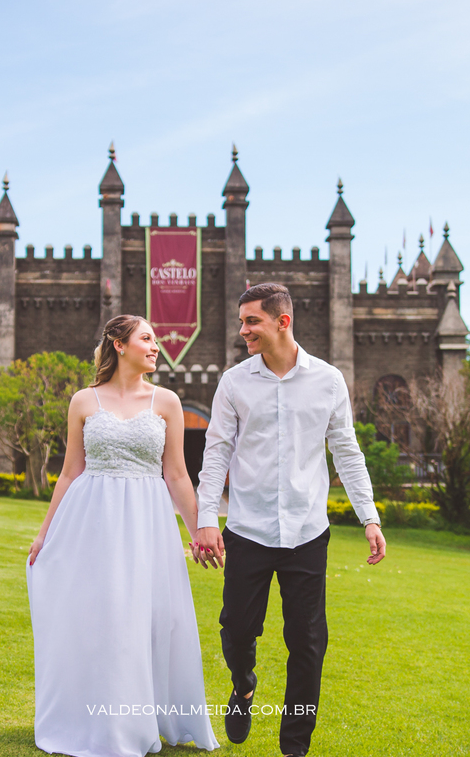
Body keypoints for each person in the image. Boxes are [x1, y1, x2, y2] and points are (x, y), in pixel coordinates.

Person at [193, 282, 387, 757]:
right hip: (247, 530)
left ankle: (294, 746)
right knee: (237, 630)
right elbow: (215, 454)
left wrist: (370, 517)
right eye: (242, 322)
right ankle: (243, 686)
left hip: (306, 533)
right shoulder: (234, 383)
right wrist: (205, 519)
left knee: (307, 642)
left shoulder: (327, 380)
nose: (243, 331)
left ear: (283, 321)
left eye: (251, 321)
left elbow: (347, 451)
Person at [26, 314, 221, 757]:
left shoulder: (166, 402)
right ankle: (98, 720)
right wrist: (44, 534)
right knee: (103, 617)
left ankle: (141, 718)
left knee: (150, 619)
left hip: (148, 521)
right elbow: (69, 473)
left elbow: (177, 476)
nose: (156, 347)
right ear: (119, 344)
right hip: (91, 521)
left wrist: (199, 534)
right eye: (147, 339)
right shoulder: (83, 401)